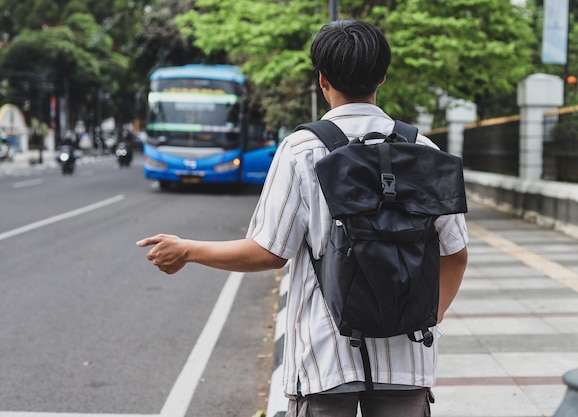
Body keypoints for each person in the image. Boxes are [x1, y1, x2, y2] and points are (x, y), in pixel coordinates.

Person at [136, 19, 468, 417]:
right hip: (406, 362)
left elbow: (268, 252)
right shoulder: (425, 150)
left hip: (324, 361)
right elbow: (455, 254)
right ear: (383, 75)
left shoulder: (302, 150)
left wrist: (189, 250)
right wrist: (427, 317)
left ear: (322, 79)